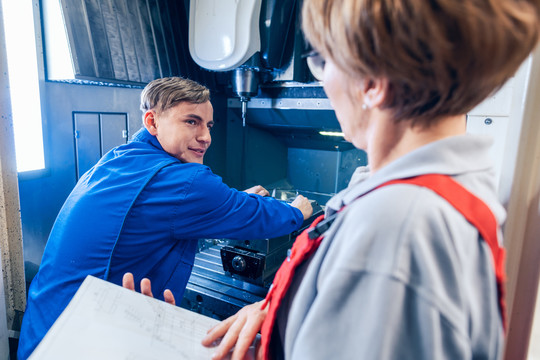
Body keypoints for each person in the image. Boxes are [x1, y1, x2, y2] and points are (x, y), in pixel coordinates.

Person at [195, 0, 540, 359]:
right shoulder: (442, 192)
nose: (323, 79)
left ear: (372, 82)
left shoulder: (396, 227)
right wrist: (285, 311)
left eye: (322, 60)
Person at [17, 77, 313, 359]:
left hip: (42, 332)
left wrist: (227, 202)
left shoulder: (119, 158)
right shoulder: (185, 182)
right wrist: (297, 211)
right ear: (152, 121)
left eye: (209, 125)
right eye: (191, 121)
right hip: (81, 344)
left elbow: (165, 208)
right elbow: (259, 216)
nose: (206, 137)